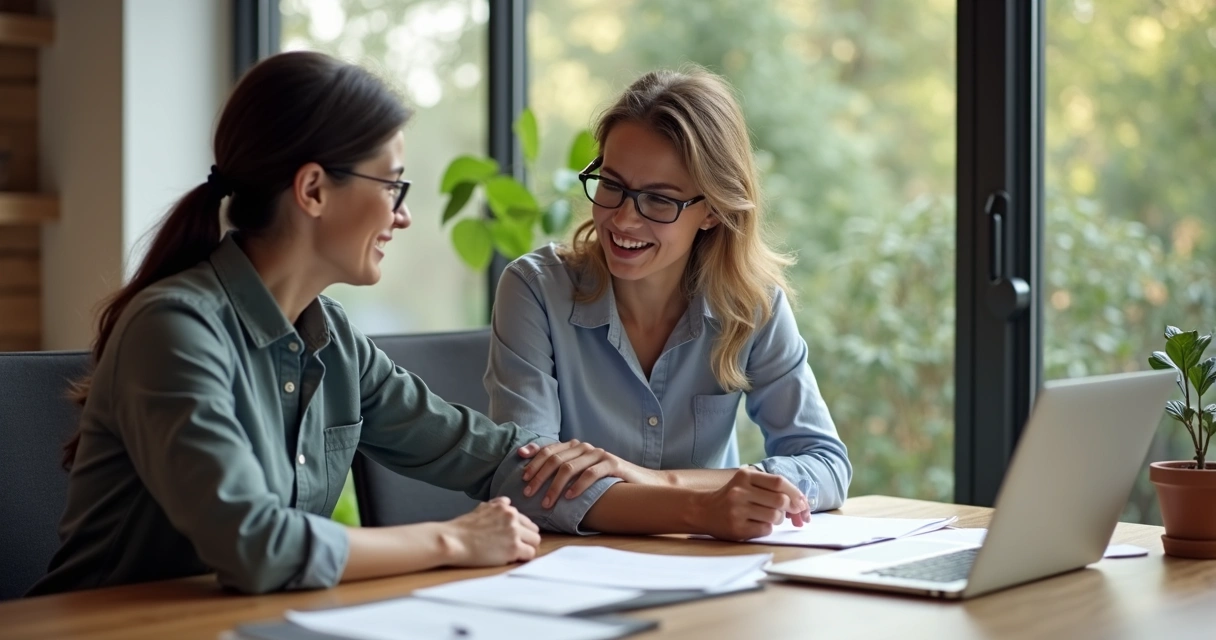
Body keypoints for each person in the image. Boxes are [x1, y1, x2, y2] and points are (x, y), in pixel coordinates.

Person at [28, 51, 585, 597]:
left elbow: (488, 454)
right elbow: (256, 546)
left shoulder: (333, 339)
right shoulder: (174, 329)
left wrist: (665, 488)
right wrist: (454, 540)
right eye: (392, 186)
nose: (403, 214)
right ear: (313, 189)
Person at [485, 67, 853, 535]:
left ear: (714, 211)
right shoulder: (535, 290)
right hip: (569, 575)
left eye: (659, 201)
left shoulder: (752, 306)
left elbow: (826, 465)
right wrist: (700, 503)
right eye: (612, 184)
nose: (623, 219)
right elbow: (525, 481)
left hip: (711, 574)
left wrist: (662, 481)